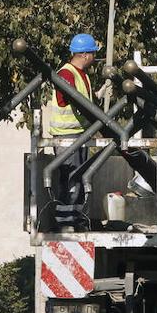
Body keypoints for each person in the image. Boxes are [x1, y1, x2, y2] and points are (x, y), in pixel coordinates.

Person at [50, 33, 101, 230]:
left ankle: (77, 220)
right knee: (70, 180)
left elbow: (83, 101)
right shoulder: (66, 73)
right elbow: (74, 100)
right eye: (93, 54)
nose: (94, 58)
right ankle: (66, 224)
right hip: (66, 137)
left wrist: (97, 96)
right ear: (85, 54)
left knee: (78, 180)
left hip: (80, 135)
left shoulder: (82, 75)